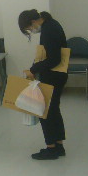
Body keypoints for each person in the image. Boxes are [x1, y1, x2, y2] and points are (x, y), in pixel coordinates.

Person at [18, 9, 68, 160]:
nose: (31, 31)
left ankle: (51, 148)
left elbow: (53, 59)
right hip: (59, 75)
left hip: (52, 76)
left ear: (33, 22)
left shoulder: (48, 30)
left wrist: (33, 69)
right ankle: (58, 146)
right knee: (53, 110)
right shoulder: (52, 24)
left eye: (29, 28)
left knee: (44, 111)